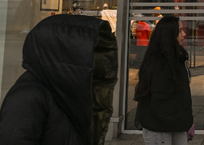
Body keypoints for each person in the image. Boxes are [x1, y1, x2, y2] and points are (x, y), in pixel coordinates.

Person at [0, 14, 118, 145]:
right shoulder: (27, 97)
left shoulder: (62, 89)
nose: (91, 64)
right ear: (64, 56)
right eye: (86, 56)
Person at [134, 15, 194, 145]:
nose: (184, 34)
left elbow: (182, 93)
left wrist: (186, 120)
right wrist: (182, 121)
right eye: (179, 31)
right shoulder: (160, 62)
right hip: (160, 126)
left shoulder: (177, 58)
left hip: (176, 123)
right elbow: (160, 100)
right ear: (169, 34)